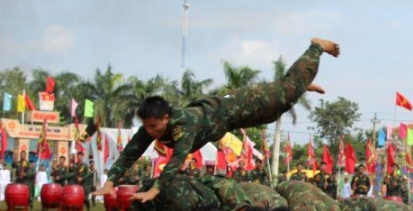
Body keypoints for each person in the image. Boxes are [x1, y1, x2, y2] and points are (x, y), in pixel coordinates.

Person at [97, 37, 339, 202]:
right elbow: (131, 152)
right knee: (275, 111)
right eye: (146, 127)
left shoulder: (185, 123)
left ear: (166, 118)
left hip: (239, 105)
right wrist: (111, 181)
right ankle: (299, 86)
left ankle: (315, 47)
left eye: (153, 126)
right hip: (233, 117)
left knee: (286, 92)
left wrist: (155, 190)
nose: (149, 132)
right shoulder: (151, 127)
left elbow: (178, 157)